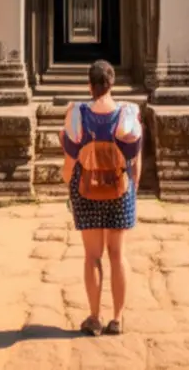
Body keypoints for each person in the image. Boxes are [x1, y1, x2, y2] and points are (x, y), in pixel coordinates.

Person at [59, 59, 143, 337]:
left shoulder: (77, 114)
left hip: (86, 190)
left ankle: (94, 318)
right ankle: (117, 319)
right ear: (112, 84)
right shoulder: (128, 114)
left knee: (92, 255)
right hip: (121, 188)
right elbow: (136, 161)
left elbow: (70, 163)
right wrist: (133, 190)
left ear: (89, 85)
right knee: (118, 255)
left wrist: (68, 184)